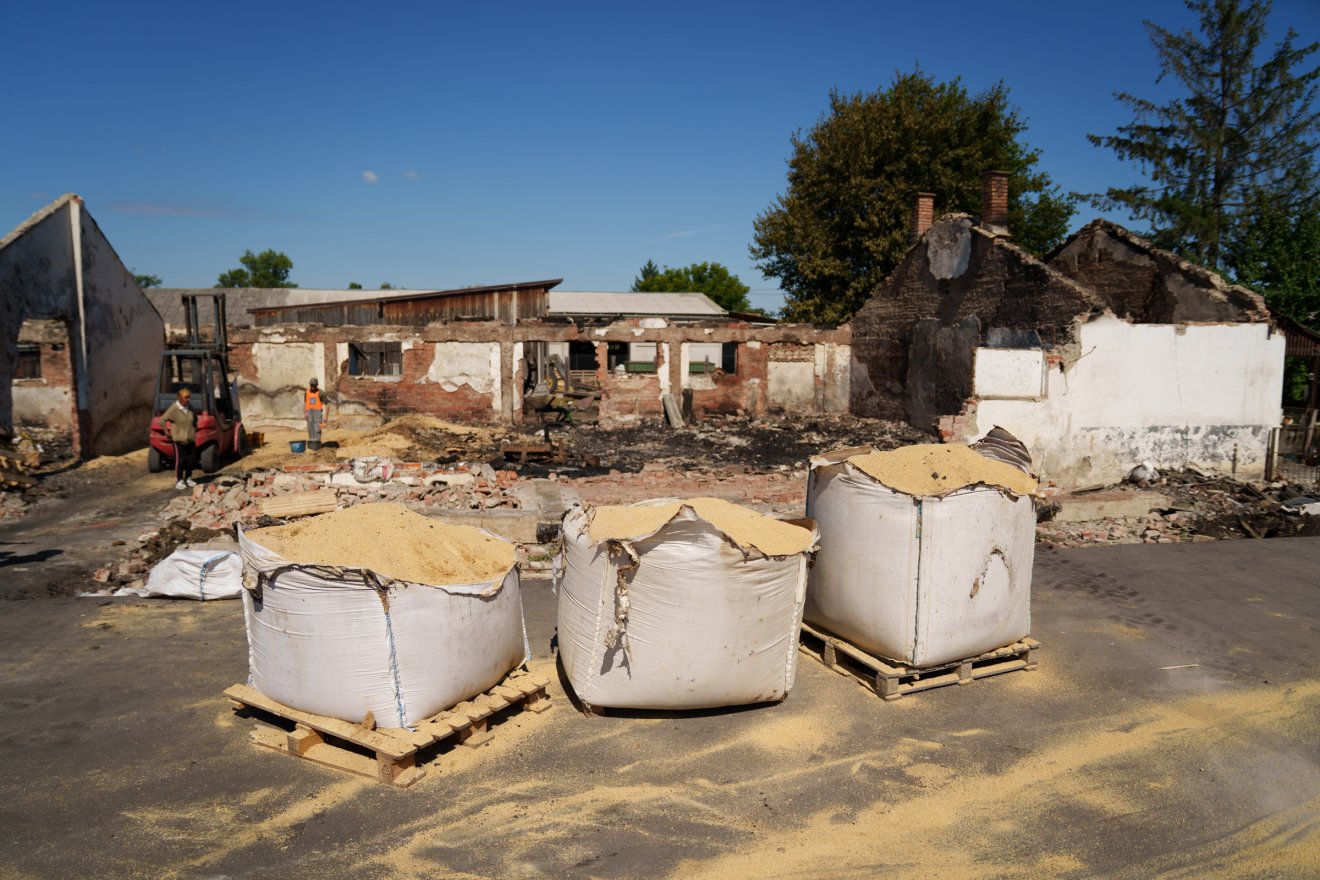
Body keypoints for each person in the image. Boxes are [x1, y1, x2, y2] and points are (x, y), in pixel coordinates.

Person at [160, 387, 198, 490]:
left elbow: (195, 419)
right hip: (179, 440)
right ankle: (179, 480)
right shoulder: (174, 409)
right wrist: (166, 432)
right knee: (180, 460)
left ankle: (188, 477)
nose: (188, 399)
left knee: (191, 459)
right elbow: (162, 420)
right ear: (180, 398)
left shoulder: (190, 408)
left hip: (190, 439)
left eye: (189, 397)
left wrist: (194, 429)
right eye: (186, 398)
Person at [304, 378, 324, 450]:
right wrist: (305, 413)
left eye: (313, 385)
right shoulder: (307, 392)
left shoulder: (321, 393)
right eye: (311, 385)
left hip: (317, 414)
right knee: (310, 428)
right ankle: (311, 444)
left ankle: (317, 444)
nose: (312, 386)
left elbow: (327, 404)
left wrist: (326, 416)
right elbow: (305, 403)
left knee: (317, 428)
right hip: (309, 413)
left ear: (317, 385)